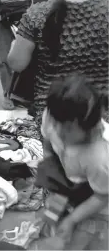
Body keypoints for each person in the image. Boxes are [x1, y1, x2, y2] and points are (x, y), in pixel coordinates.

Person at [8, 0, 108, 134]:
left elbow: (17, 63)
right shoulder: (106, 10)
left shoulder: (38, 14)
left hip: (52, 117)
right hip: (101, 116)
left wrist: (16, 44)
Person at [41, 75, 108, 250]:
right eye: (56, 123)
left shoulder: (98, 157)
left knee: (87, 239)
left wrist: (72, 219)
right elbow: (48, 141)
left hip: (100, 202)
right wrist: (54, 182)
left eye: (68, 128)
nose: (58, 131)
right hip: (73, 182)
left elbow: (102, 196)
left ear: (89, 127)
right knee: (52, 224)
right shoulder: (56, 116)